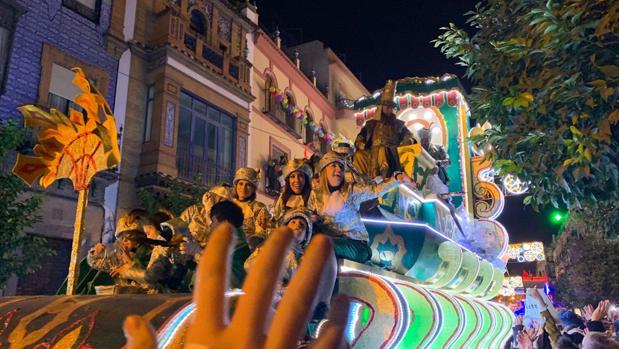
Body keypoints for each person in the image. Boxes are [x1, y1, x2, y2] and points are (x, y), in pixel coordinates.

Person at [123, 223, 351, 349]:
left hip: (291, 316)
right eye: (292, 222)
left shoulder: (310, 258)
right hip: (262, 312)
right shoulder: (267, 251)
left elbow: (312, 291)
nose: (296, 227)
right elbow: (254, 267)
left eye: (301, 225)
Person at [308, 151, 412, 264]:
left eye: (341, 167)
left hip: (357, 246)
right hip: (331, 242)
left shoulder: (351, 191)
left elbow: (375, 190)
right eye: (333, 165)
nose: (338, 169)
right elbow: (307, 215)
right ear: (324, 170)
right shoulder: (315, 194)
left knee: (321, 244)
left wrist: (397, 179)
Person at [353, 80, 415, 179]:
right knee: (358, 155)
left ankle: (383, 179)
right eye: (387, 107)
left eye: (391, 108)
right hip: (372, 153)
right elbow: (360, 137)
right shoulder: (371, 124)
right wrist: (360, 143)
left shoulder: (398, 124)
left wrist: (406, 140)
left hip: (390, 153)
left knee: (383, 150)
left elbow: (409, 135)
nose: (389, 110)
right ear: (381, 107)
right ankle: (361, 180)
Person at [209, 200, 252, 289]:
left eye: (213, 221)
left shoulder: (234, 250)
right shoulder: (240, 244)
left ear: (225, 225)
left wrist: (197, 254)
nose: (211, 226)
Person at [232, 167, 271, 249]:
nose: (243, 188)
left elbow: (261, 232)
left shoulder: (259, 208)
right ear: (236, 186)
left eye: (248, 185)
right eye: (241, 184)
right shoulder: (227, 204)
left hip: (247, 250)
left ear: (253, 189)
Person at [272, 159, 313, 224]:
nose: (297, 180)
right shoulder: (283, 198)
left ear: (306, 180)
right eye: (292, 176)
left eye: (300, 176)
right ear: (288, 181)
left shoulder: (313, 197)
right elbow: (276, 219)